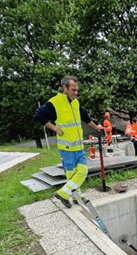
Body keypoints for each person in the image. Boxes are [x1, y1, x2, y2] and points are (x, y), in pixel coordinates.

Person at [34, 76, 104, 208]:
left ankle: (63, 193)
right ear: (64, 88)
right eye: (73, 90)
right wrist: (54, 128)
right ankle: (77, 197)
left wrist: (97, 128)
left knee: (82, 172)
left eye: (77, 90)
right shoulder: (55, 102)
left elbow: (86, 118)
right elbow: (38, 115)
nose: (76, 93)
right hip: (66, 147)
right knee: (72, 175)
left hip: (78, 146)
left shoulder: (76, 103)